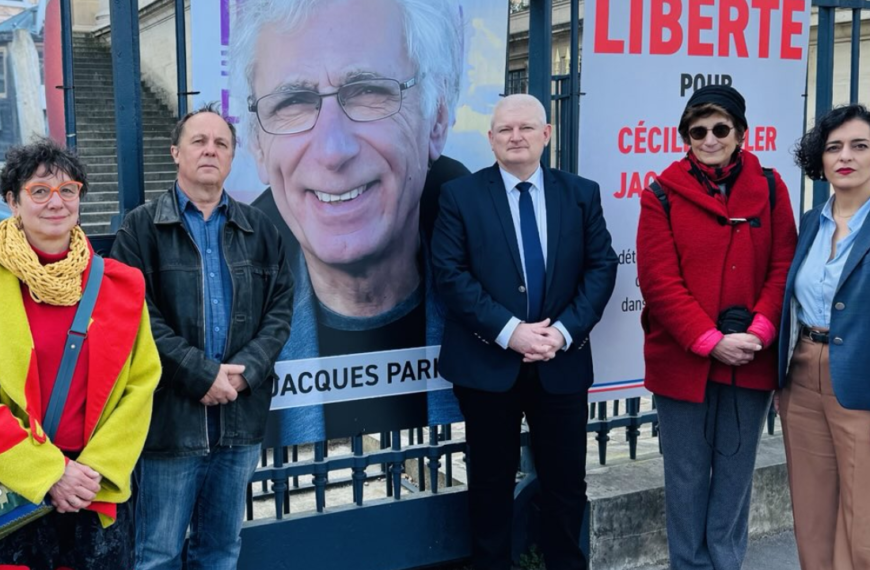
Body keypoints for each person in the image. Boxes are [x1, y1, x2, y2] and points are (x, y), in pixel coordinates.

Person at [230, 0, 467, 442]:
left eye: (368, 92)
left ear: (435, 120)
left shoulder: (506, 289)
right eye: (293, 103)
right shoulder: (223, 324)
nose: (333, 149)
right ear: (258, 147)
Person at [431, 94, 618, 570]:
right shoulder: (460, 196)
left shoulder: (581, 193)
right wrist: (510, 332)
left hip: (562, 362)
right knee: (490, 486)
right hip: (487, 365)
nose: (515, 137)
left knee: (566, 486)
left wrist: (562, 332)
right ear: (490, 139)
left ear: (546, 134)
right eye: (504, 130)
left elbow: (601, 267)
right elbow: (449, 274)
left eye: (525, 128)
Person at [109, 104, 294, 570]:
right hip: (169, 424)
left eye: (221, 143)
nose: (210, 150)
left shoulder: (261, 230)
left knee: (220, 551)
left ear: (231, 159)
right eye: (198, 141)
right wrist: (200, 374)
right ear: (175, 152)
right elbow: (136, 318)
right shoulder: (141, 228)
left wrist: (243, 374)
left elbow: (280, 312)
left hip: (240, 421)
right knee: (157, 554)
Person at [636, 85, 797, 569]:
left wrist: (762, 331)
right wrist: (709, 341)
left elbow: (783, 264)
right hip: (683, 360)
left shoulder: (770, 188)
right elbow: (659, 281)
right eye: (697, 131)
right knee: (684, 477)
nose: (709, 139)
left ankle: (726, 563)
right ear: (686, 137)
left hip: (750, 355)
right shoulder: (659, 194)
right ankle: (688, 565)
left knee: (734, 474)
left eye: (720, 129)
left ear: (740, 134)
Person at [0, 139, 160, 569]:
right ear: (13, 201)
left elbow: (140, 384)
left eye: (68, 190)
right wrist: (48, 472)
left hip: (92, 489)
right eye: (40, 190)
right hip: (15, 488)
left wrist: (91, 472)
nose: (56, 201)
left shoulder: (121, 285)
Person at [779, 103, 870, 570]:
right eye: (834, 147)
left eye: (859, 146)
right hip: (801, 376)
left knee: (863, 525)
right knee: (812, 514)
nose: (845, 156)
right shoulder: (812, 223)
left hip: (861, 382)